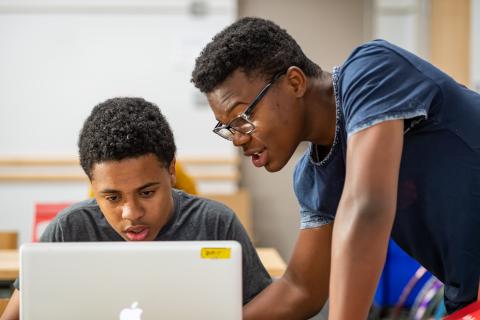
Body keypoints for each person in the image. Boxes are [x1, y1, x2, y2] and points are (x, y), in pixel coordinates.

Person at [191, 17, 480, 319]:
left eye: (242, 119)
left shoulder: (371, 72)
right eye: (228, 128)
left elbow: (367, 207)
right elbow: (300, 289)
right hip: (468, 299)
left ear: (294, 82)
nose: (238, 139)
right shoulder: (313, 179)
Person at [0, 97, 271, 320]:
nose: (131, 213)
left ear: (171, 171)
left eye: (147, 192)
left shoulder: (215, 224)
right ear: (92, 185)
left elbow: (268, 309)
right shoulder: (68, 229)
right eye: (112, 198)